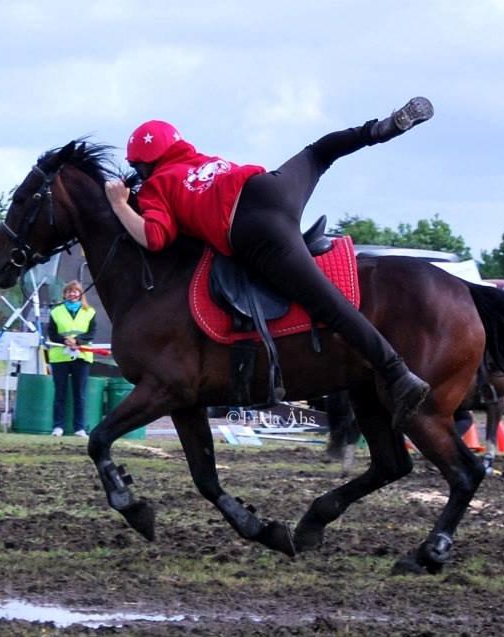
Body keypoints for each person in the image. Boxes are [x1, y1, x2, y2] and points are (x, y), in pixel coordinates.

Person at [105, 97, 435, 429]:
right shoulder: (198, 159)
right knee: (319, 153)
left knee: (329, 305)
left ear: (144, 164)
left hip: (254, 231)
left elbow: (154, 237)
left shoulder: (155, 186)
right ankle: (380, 129)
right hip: (270, 187)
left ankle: (398, 373)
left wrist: (120, 204)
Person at [47, 280, 97, 438]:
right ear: (65, 294)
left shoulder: (90, 312)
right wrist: (65, 341)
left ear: (80, 294)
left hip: (82, 355)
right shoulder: (56, 312)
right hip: (60, 356)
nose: (72, 294)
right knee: (60, 393)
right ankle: (58, 426)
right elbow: (52, 333)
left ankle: (79, 428)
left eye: (75, 291)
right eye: (69, 291)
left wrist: (78, 341)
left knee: (79, 394)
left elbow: (91, 333)